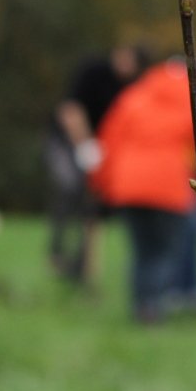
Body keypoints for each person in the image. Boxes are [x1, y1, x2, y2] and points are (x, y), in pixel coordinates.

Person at [89, 59, 196, 324]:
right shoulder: (191, 104)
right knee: (164, 253)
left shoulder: (134, 97)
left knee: (142, 252)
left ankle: (141, 308)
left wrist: (99, 184)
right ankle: (152, 311)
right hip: (167, 189)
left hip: (128, 187)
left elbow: (109, 140)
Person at [45, 45, 146, 283]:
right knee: (70, 186)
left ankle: (82, 266)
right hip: (67, 140)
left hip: (103, 149)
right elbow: (70, 112)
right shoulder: (93, 71)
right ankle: (57, 253)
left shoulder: (132, 87)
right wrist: (85, 146)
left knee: (94, 205)